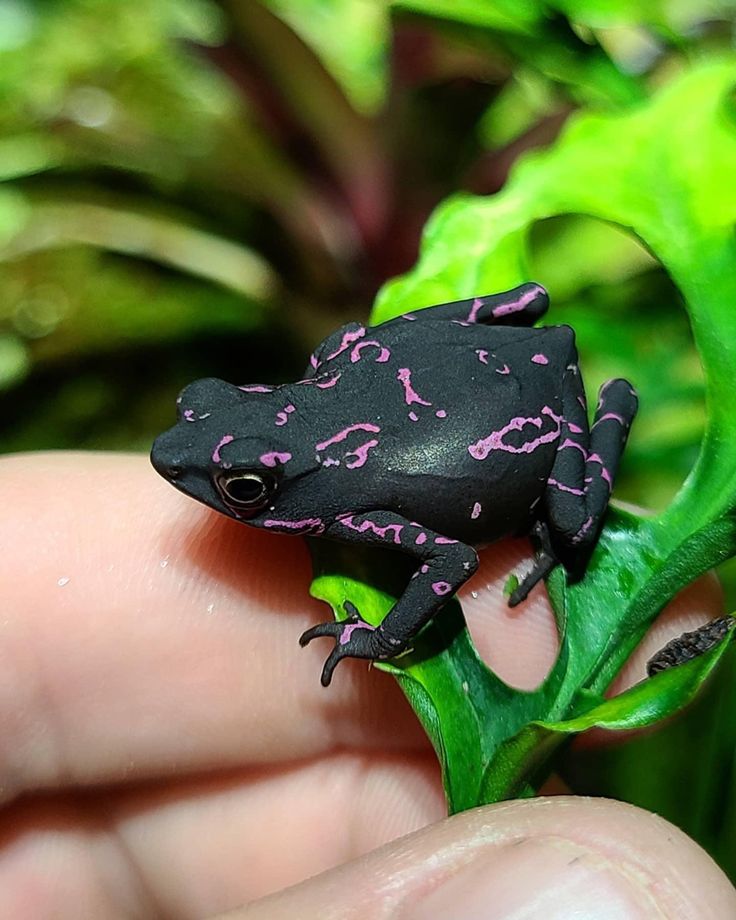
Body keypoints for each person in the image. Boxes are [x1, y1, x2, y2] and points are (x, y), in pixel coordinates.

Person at [0, 453, 733, 918]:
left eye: (245, 487)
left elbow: (447, 566)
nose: (174, 463)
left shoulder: (358, 496)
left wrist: (384, 638)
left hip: (538, 437)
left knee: (570, 528)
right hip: (463, 391)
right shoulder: (346, 479)